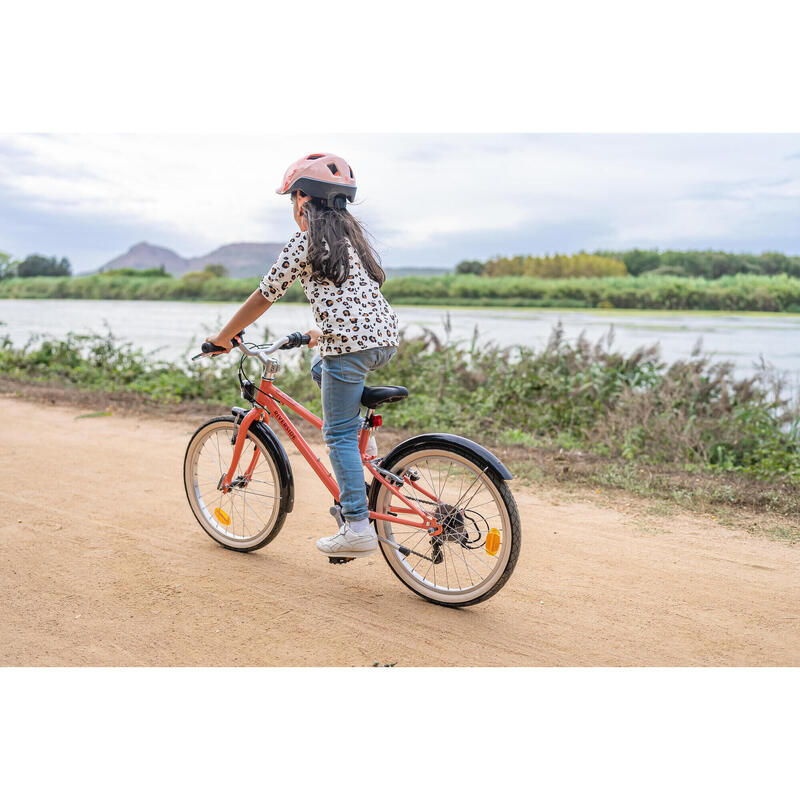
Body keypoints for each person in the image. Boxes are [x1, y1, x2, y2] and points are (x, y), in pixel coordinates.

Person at [206, 152, 399, 559]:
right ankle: (369, 455)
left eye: (293, 198)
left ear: (302, 200)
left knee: (337, 433)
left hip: (348, 348)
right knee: (322, 370)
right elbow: (352, 299)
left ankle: (357, 525)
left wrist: (224, 337)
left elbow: (264, 296)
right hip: (382, 341)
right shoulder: (351, 241)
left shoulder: (305, 243)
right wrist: (320, 332)